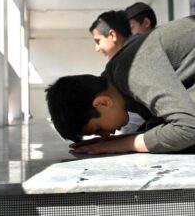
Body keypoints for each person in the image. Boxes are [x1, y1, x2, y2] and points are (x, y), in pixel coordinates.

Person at [46, 16, 195, 154]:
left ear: (103, 103)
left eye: (98, 129)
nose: (106, 135)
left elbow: (188, 128)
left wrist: (117, 145)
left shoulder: (134, 71)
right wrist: (118, 140)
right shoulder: (119, 81)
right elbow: (164, 127)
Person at [89, 10, 144, 133]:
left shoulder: (134, 59)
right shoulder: (125, 59)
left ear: (112, 35)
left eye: (98, 41)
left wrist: (121, 141)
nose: (97, 48)